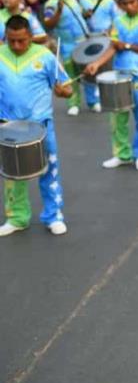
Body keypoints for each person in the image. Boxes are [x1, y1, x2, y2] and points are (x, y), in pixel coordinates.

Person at [0, 15, 72, 237]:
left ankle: (53, 216)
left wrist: (63, 92)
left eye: (21, 40)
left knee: (49, 171)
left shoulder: (46, 56)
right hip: (8, 126)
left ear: (31, 36)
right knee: (12, 175)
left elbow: (67, 88)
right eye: (11, 40)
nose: (16, 45)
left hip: (40, 126)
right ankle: (17, 217)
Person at [84, 0, 138, 171]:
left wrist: (126, 46)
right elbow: (113, 47)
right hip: (120, 74)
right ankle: (122, 154)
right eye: (125, 4)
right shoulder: (118, 21)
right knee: (118, 116)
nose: (129, 7)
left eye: (132, 2)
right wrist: (97, 64)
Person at [43, 0, 100, 115]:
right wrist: (59, 11)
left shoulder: (74, 0)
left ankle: (93, 102)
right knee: (70, 74)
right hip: (67, 43)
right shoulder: (51, 4)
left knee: (88, 72)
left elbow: (81, 15)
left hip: (83, 42)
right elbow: (48, 23)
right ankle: (73, 103)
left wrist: (87, 14)